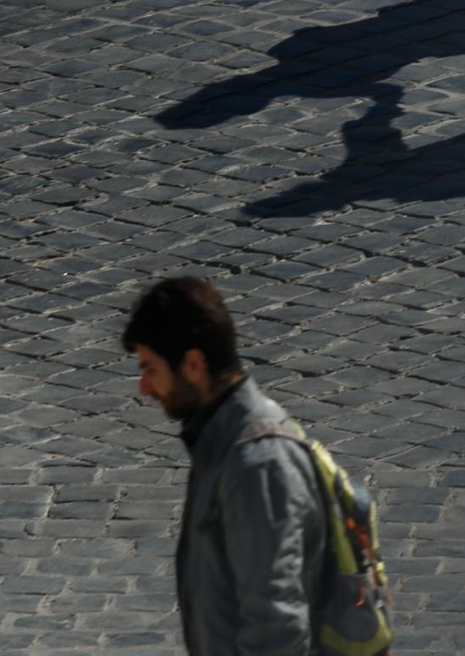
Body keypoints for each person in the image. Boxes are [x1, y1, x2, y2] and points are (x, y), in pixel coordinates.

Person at [122, 277, 326, 656]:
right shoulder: (222, 442)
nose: (144, 387)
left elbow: (276, 626)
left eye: (150, 368)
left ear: (194, 364)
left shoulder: (257, 465)